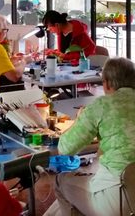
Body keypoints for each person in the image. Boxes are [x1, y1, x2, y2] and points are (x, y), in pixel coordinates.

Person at [44, 57, 135, 216]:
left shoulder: (101, 106)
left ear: (106, 83)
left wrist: (79, 119)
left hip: (119, 198)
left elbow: (65, 149)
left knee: (61, 181)